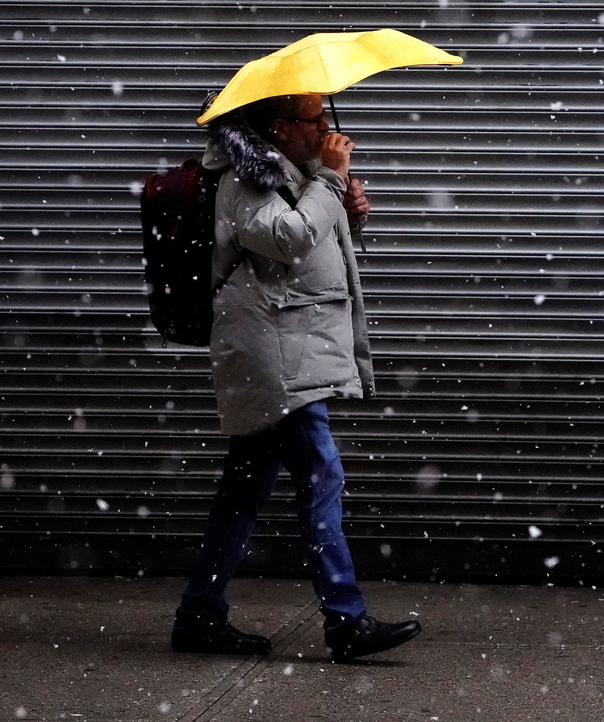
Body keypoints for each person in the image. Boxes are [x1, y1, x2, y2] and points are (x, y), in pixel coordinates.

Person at [170, 92, 421, 662]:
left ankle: (198, 615)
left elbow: (309, 248)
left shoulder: (292, 171)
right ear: (281, 127)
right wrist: (331, 180)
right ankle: (346, 621)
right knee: (320, 472)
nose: (326, 126)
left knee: (243, 490)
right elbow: (285, 239)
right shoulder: (246, 179)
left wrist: (348, 209)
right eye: (315, 118)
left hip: (289, 344)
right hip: (276, 352)